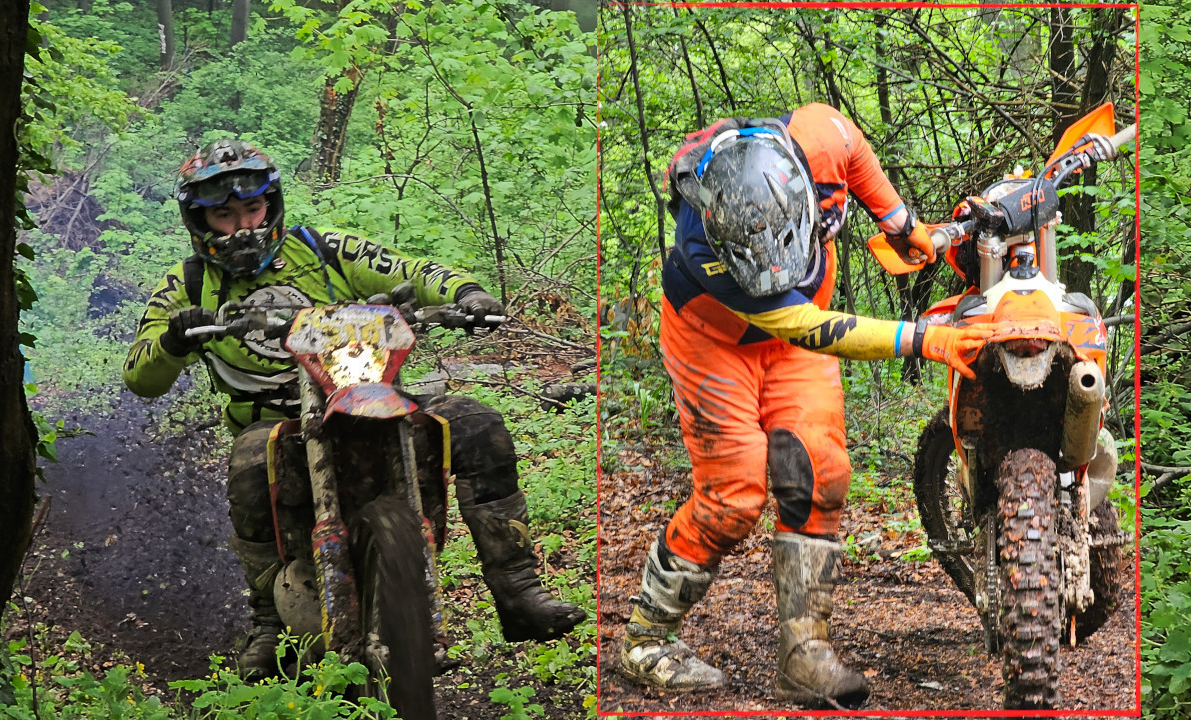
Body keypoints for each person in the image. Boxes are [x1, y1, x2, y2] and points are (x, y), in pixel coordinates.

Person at [123, 139, 584, 679]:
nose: (243, 226)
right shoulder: (185, 285)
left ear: (271, 205)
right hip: (275, 421)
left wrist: (468, 293)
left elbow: (409, 268)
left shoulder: (323, 249)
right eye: (224, 216)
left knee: (476, 422)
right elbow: (139, 375)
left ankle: (518, 588)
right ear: (199, 220)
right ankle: (268, 622)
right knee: (249, 460)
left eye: (251, 209)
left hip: (366, 394)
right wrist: (173, 339)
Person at [616, 104, 995, 707]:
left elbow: (854, 150)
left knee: (821, 468)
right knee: (732, 497)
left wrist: (900, 222)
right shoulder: (700, 240)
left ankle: (804, 653)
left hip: (793, 339)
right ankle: (644, 638)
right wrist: (923, 339)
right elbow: (804, 326)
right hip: (714, 341)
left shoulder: (817, 138)